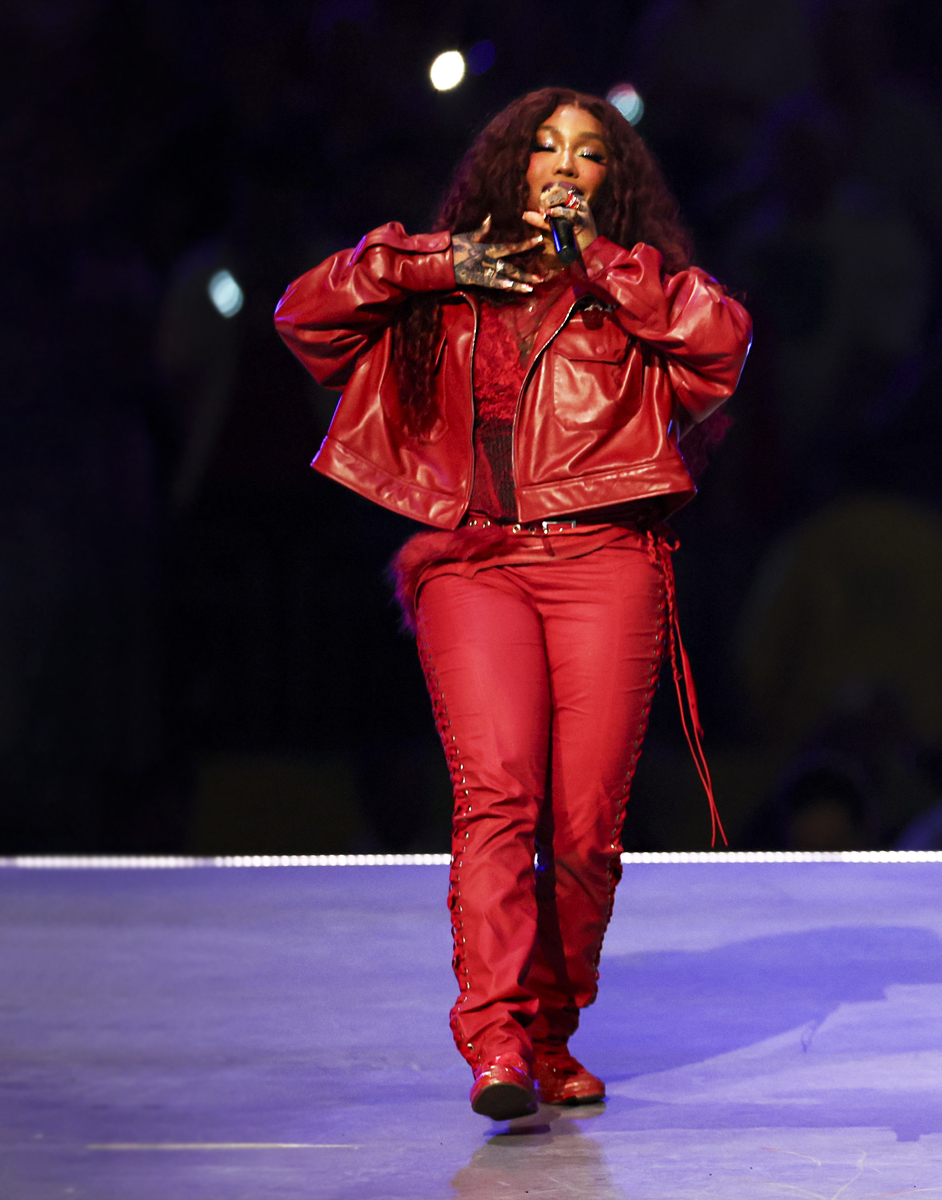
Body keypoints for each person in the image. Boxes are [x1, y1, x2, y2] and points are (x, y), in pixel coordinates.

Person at [275, 88, 752, 1119]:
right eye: (544, 148)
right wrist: (431, 262)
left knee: (585, 828)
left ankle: (546, 1029)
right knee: (498, 795)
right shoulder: (448, 278)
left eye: (586, 153)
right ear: (511, 168)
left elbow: (722, 345)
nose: (564, 165)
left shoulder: (635, 288)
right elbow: (301, 316)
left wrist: (606, 268)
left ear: (607, 182)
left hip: (604, 557)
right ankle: (494, 1038)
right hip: (472, 563)